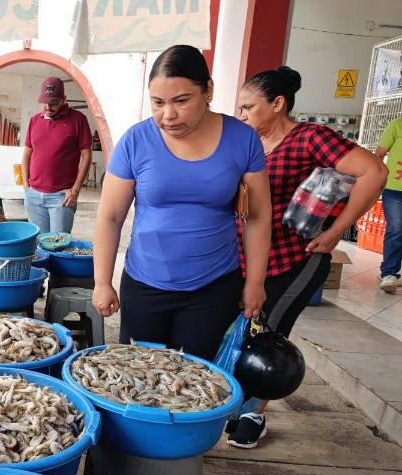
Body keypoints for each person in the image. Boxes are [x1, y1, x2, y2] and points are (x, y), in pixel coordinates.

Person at [231, 66, 388, 448]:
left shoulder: (309, 138)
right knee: (240, 332)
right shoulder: (249, 143)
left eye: (249, 107)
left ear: (277, 104)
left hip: (295, 260)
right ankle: (235, 399)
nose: (242, 115)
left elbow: (374, 172)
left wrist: (336, 232)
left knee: (268, 334)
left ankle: (254, 413)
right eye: (240, 108)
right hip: (248, 260)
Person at [92, 45, 272, 363]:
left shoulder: (242, 139)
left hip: (213, 287)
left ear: (208, 91)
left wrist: (255, 282)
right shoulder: (136, 141)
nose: (168, 115)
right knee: (140, 374)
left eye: (181, 100)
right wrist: (102, 282)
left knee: (197, 378)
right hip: (145, 284)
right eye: (158, 103)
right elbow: (110, 217)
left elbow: (257, 217)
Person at [21, 76, 93, 234]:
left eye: (53, 103)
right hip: (34, 194)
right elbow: (27, 153)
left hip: (62, 196)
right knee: (39, 243)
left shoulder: (78, 120)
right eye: (44, 102)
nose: (48, 107)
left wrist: (75, 190)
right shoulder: (34, 120)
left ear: (63, 99)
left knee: (58, 243)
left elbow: (87, 155)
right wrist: (26, 186)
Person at [374, 115, 402, 293]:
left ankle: (389, 269)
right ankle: (389, 273)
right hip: (394, 189)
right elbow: (379, 155)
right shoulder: (397, 125)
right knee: (396, 229)